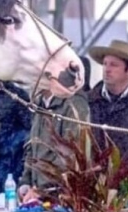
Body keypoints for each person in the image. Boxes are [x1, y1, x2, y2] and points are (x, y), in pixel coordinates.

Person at [19, 60, 91, 203]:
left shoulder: (74, 105)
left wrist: (43, 190)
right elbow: (32, 149)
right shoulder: (40, 105)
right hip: (38, 196)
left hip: (64, 198)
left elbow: (71, 155)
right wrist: (25, 183)